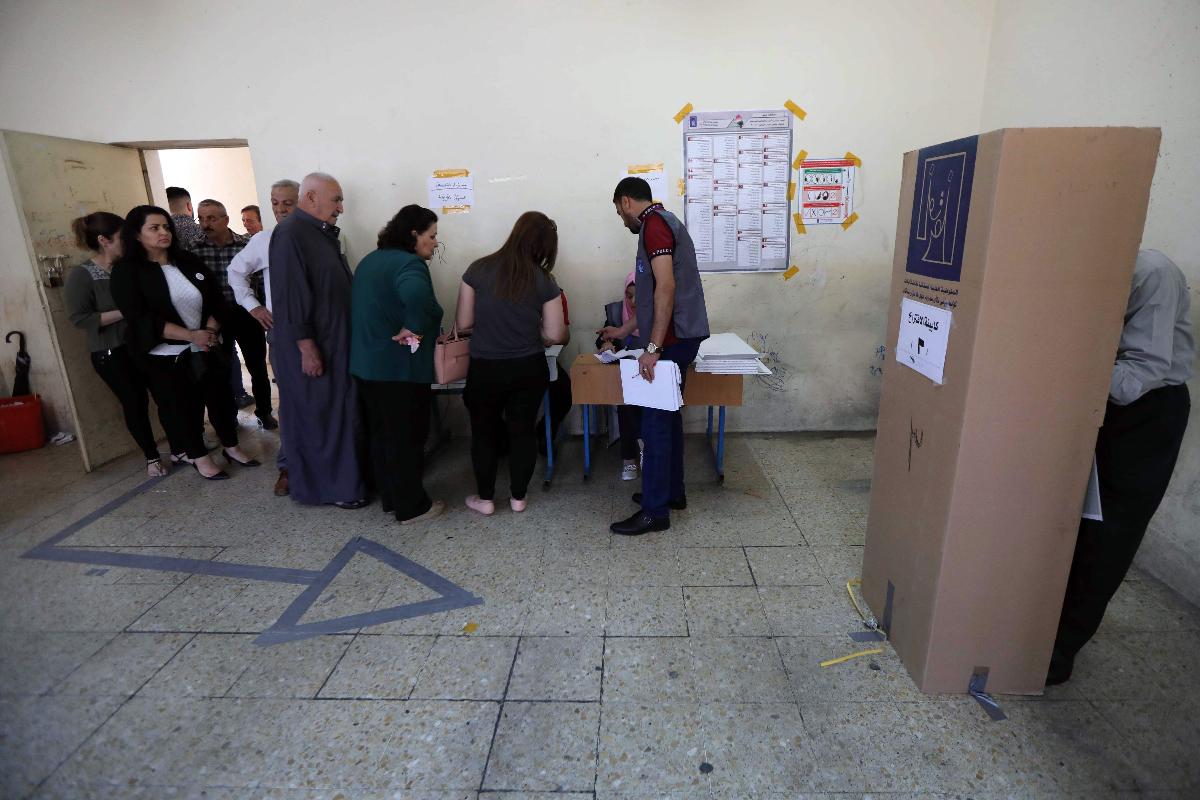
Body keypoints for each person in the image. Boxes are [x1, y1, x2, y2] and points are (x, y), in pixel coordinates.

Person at [1048, 249, 1193, 685]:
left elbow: (1136, 378)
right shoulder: (1074, 268)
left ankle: (1059, 650)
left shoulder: (1150, 272)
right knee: (1066, 517)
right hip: (1092, 397)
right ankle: (1037, 623)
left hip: (1144, 415)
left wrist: (1057, 363)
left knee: (1108, 531)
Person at [110, 205, 259, 480]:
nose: (163, 233)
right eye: (154, 228)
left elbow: (216, 297)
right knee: (183, 408)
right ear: (137, 234)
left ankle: (231, 446)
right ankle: (198, 456)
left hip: (207, 346)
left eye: (166, 227)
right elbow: (140, 317)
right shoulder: (127, 271)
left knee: (221, 400)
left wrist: (209, 332)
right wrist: (191, 336)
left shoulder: (187, 261)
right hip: (166, 354)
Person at [600, 177, 710, 535]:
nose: (622, 219)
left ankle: (655, 512)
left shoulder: (654, 227)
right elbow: (650, 295)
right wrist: (623, 329)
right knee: (669, 418)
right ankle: (671, 493)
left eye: (619, 212)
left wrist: (652, 348)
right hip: (680, 335)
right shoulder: (666, 221)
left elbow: (667, 287)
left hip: (672, 340)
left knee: (655, 423)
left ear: (627, 201)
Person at [455, 211, 567, 515]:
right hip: (528, 367)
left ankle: (486, 499)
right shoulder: (544, 280)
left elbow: (463, 322)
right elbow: (556, 333)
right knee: (522, 431)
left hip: (485, 367)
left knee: (484, 432)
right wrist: (536, 332)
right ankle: (518, 498)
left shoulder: (477, 270)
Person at [268, 172, 366, 508]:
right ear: (310, 198)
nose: (341, 206)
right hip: (314, 349)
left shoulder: (320, 235)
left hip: (334, 344)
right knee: (320, 419)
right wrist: (306, 347)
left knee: (338, 416)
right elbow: (290, 297)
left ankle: (347, 484)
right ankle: (333, 490)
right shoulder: (291, 234)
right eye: (336, 199)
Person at [351, 205, 445, 524]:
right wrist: (416, 324)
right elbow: (417, 295)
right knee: (407, 437)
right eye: (432, 236)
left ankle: (391, 498)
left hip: (366, 366)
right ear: (414, 235)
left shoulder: (370, 261)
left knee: (381, 436)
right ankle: (412, 506)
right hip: (398, 369)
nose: (434, 243)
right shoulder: (410, 264)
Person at [64, 212, 169, 477]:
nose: (130, 242)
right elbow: (80, 319)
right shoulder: (82, 275)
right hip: (110, 352)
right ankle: (151, 457)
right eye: (122, 237)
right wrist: (127, 310)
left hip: (143, 345)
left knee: (165, 395)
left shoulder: (131, 267)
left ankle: (181, 446)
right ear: (104, 240)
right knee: (134, 403)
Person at [228, 178, 300, 495]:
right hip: (284, 333)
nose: (281, 209)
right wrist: (254, 306)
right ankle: (288, 467)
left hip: (323, 332)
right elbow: (236, 272)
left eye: (288, 202)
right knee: (292, 402)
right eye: (275, 202)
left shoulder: (327, 238)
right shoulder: (265, 240)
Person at [193, 199, 277, 429]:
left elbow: (260, 280)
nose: (206, 223)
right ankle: (228, 416)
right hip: (214, 319)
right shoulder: (195, 249)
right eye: (201, 218)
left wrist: (259, 308)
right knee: (221, 367)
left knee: (257, 366)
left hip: (246, 314)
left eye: (212, 218)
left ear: (225, 220)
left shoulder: (246, 244)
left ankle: (264, 412)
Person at [597, 271, 642, 481]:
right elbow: (603, 339)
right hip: (626, 376)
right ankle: (628, 459)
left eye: (638, 295)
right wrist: (608, 344)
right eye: (629, 295)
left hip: (652, 372)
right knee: (627, 408)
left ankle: (648, 452)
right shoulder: (616, 311)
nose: (632, 301)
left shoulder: (657, 311)